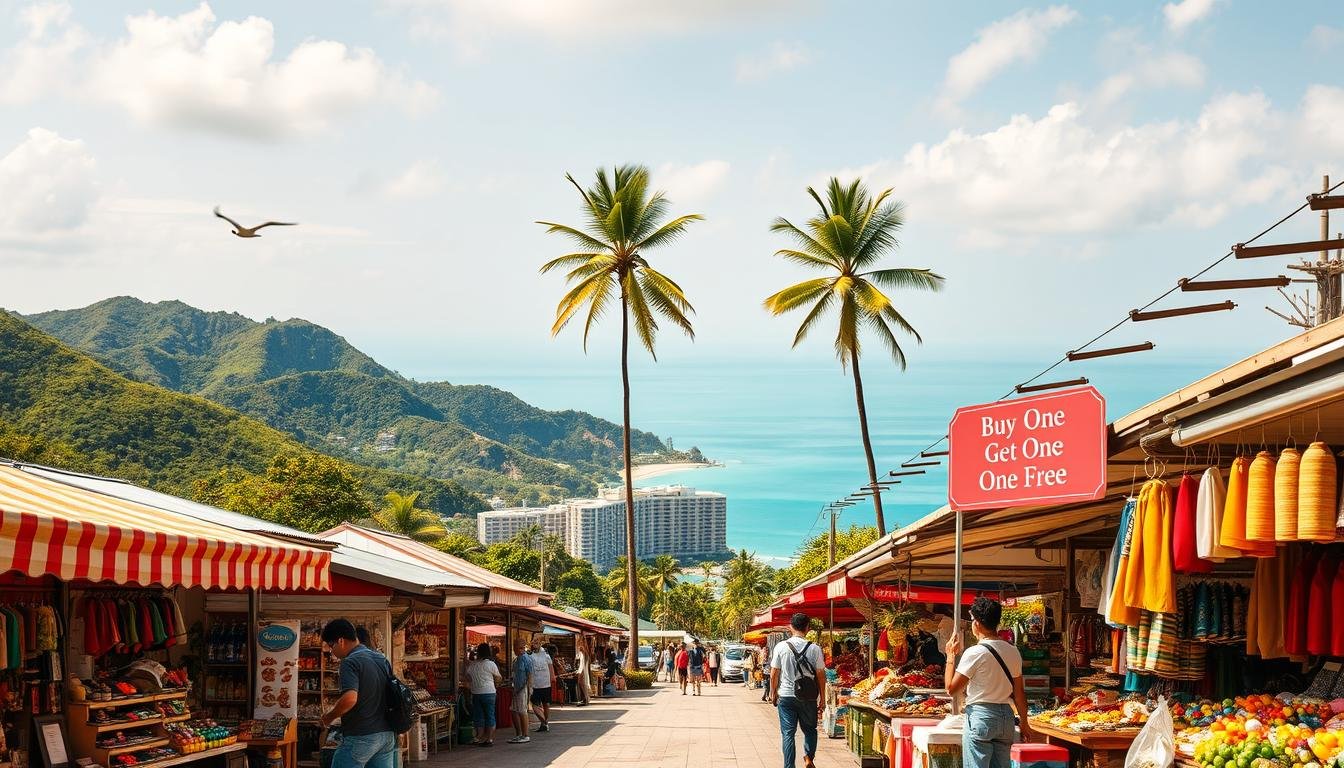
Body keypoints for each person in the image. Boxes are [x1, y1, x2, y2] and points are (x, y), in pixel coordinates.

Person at [944, 597, 1035, 768]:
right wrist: (1024, 721)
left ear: (977, 623)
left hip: (981, 716)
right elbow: (1019, 693)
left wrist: (950, 657)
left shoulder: (975, 652)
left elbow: (951, 689)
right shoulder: (1013, 651)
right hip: (1006, 718)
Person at [318, 619, 395, 768]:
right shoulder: (380, 658)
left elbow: (350, 699)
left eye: (331, 645)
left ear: (340, 641)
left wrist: (328, 717)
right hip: (387, 735)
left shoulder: (350, 661)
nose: (331, 651)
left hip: (361, 735)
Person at [770, 613, 826, 768]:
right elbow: (821, 675)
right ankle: (808, 757)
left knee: (788, 733)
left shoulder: (781, 646)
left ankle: (789, 766)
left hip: (786, 696)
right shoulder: (814, 648)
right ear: (807, 628)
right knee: (810, 730)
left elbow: (774, 673)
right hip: (808, 696)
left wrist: (773, 693)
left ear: (790, 627)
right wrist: (823, 698)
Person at [466, 642, 502, 747]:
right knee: (490, 716)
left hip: (476, 693)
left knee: (479, 716)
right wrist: (495, 683)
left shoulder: (473, 664)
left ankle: (479, 737)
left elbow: (467, 677)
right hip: (489, 693)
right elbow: (498, 677)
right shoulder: (491, 664)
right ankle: (489, 739)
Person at [507, 638, 533, 744]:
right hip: (517, 688)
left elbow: (529, 675)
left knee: (522, 711)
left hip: (523, 688)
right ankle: (519, 734)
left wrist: (526, 688)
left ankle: (525, 735)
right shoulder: (517, 659)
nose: (514, 649)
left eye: (515, 647)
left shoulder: (525, 658)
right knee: (514, 710)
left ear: (521, 647)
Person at [529, 640, 556, 732]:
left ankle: (544, 723)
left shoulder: (545, 655)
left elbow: (551, 668)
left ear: (539, 644)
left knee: (545, 705)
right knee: (537, 705)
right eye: (533, 643)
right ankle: (544, 723)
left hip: (544, 684)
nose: (534, 645)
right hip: (536, 684)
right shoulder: (531, 656)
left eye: (536, 643)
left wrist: (552, 678)